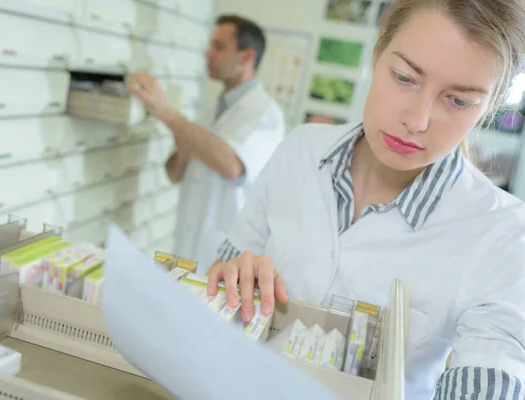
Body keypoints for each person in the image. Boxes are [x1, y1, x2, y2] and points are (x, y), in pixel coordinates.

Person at [207, 0, 525, 399]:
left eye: (459, 101)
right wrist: (232, 277)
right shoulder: (301, 150)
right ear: (378, 53)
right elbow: (218, 278)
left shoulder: (503, 233)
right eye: (404, 77)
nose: (417, 119)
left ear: (490, 106)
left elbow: (493, 373)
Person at [127, 15, 285, 275]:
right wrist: (177, 129)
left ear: (246, 57)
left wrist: (167, 113)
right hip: (187, 248)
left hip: (224, 257)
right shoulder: (210, 112)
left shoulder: (266, 114)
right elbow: (175, 172)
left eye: (219, 47)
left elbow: (232, 165)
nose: (207, 53)